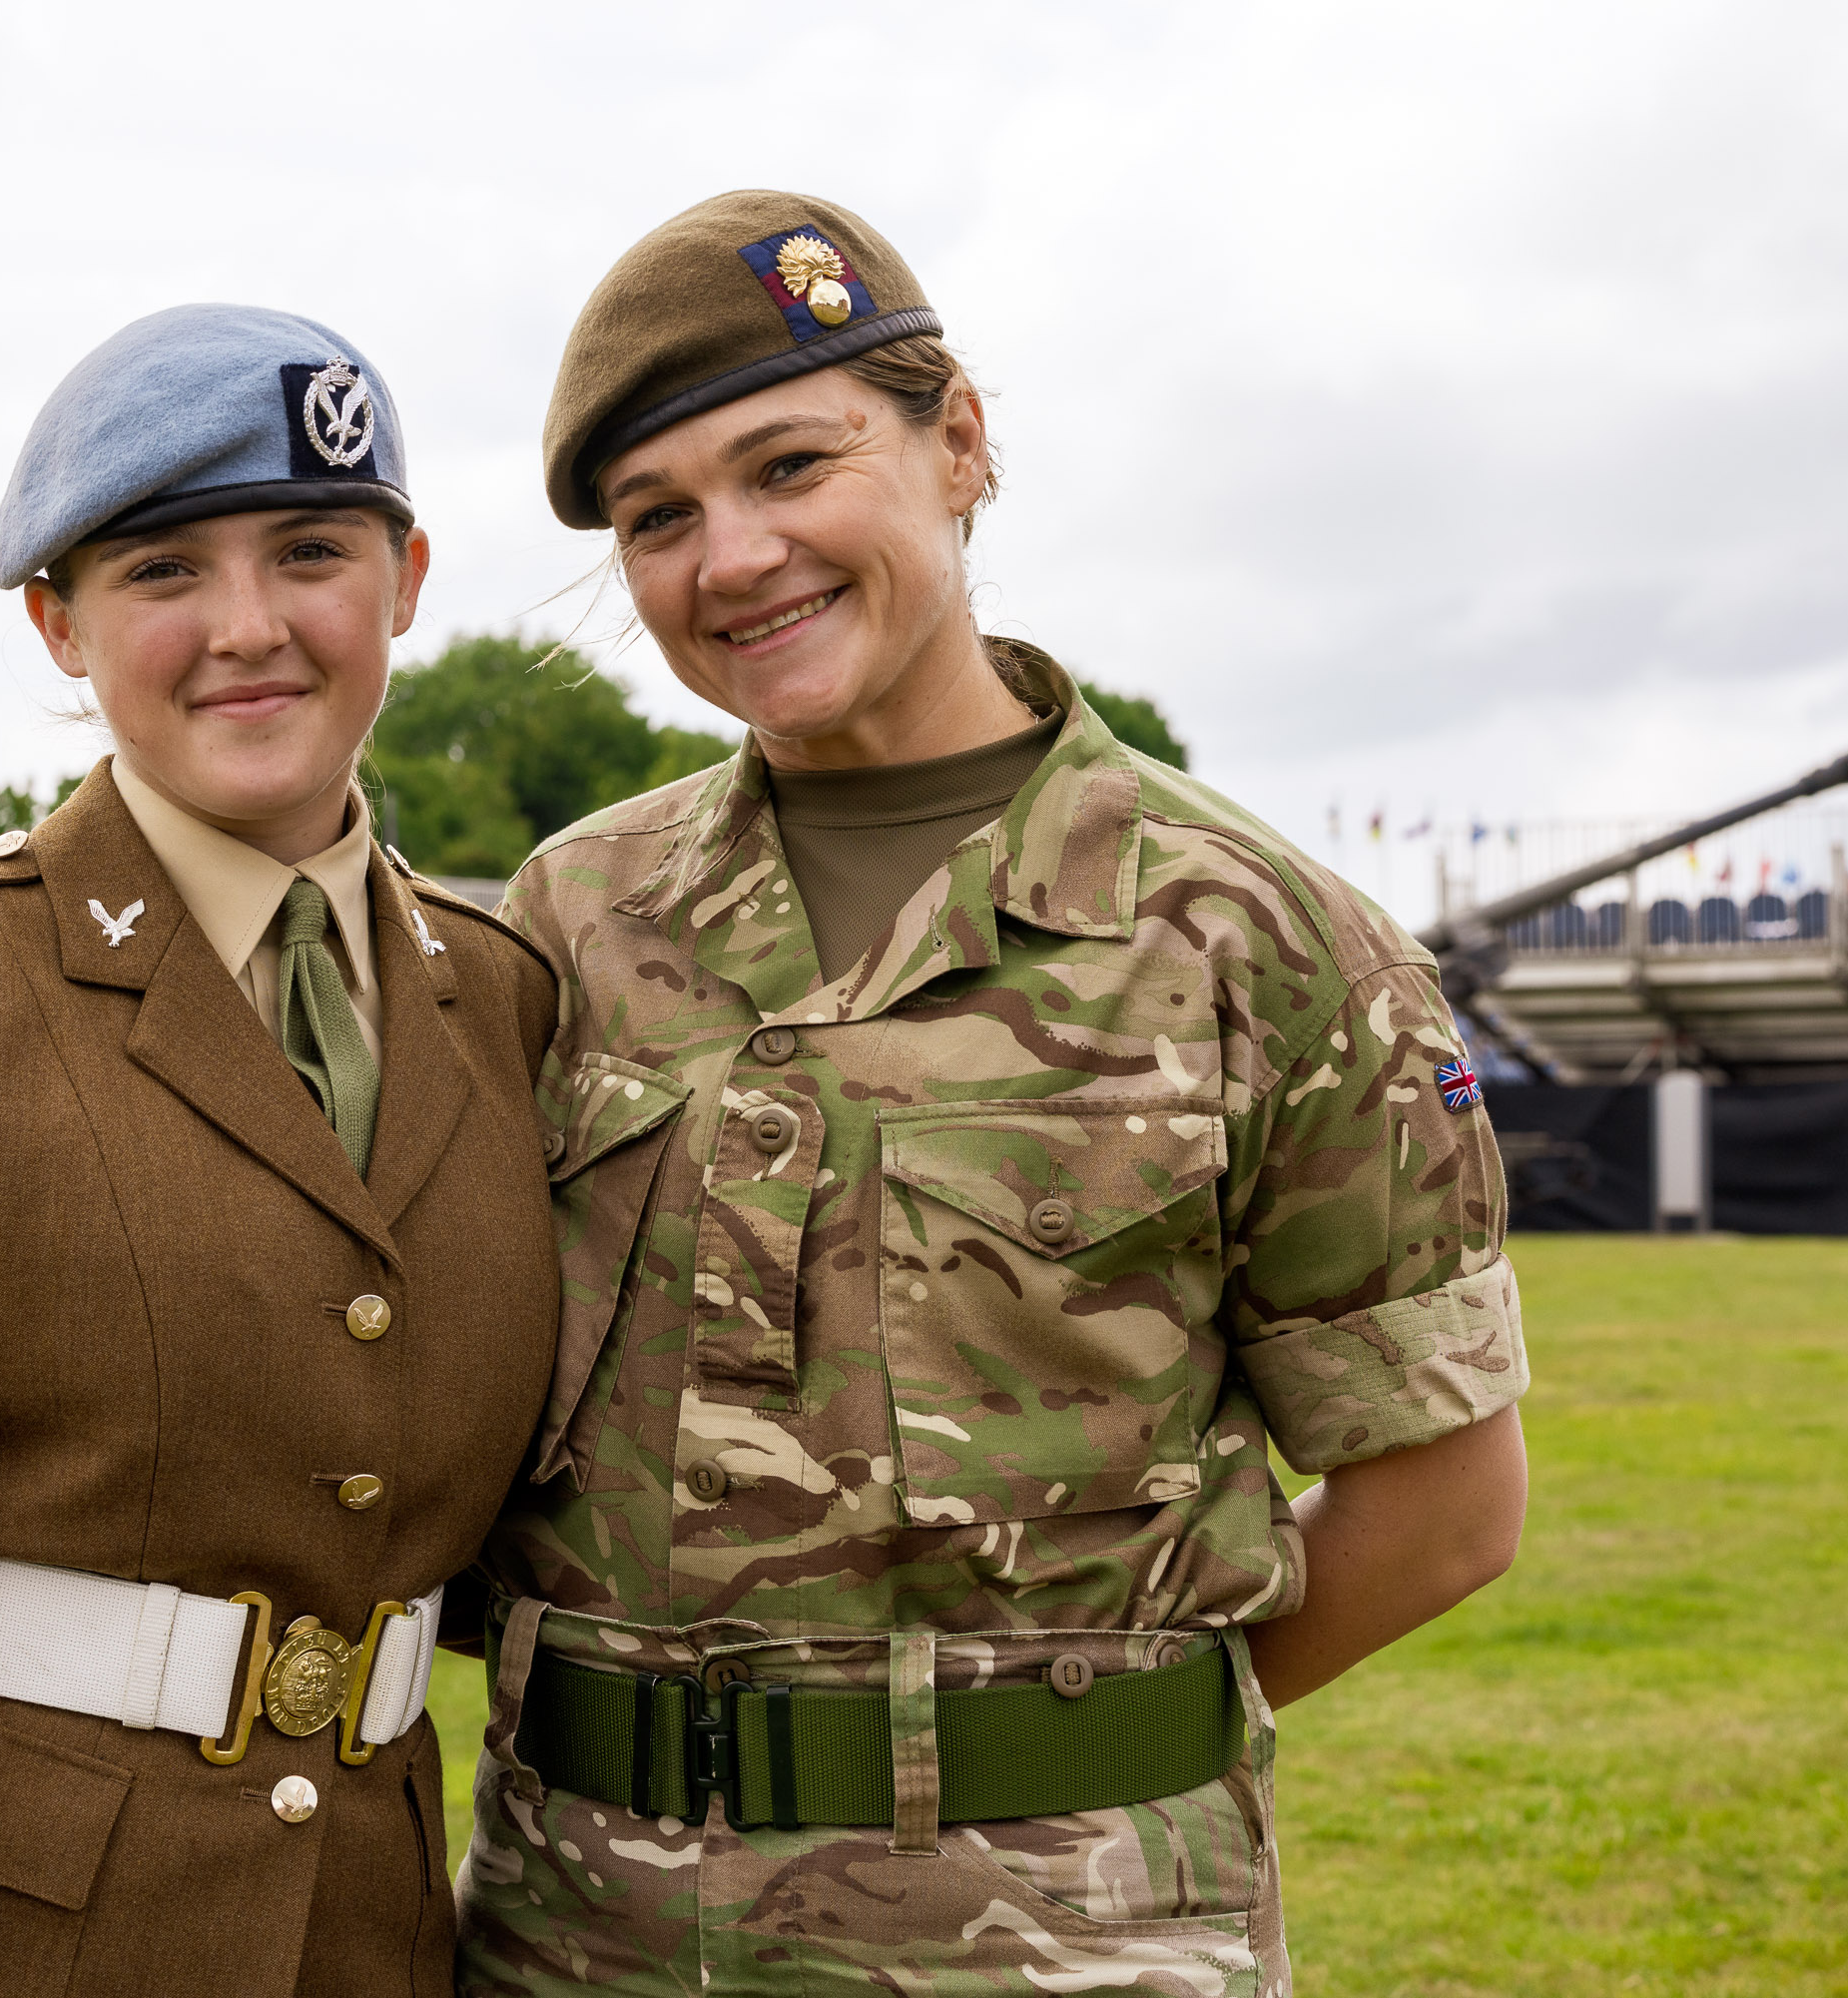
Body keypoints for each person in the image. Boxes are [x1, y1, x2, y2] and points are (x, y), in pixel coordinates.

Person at [456, 192, 1531, 1995]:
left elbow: (1445, 1503)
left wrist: (1041, 1760)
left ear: (958, 440)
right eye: (659, 520)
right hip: (583, 1934)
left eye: (791, 464)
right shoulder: (576, 919)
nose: (732, 558)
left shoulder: (1251, 936)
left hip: (1057, 1946)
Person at [0, 304, 561, 1998]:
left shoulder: (499, 1000)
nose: (249, 628)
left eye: (309, 551)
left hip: (379, 1937)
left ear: (408, 578)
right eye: (161, 573)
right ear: (60, 624)